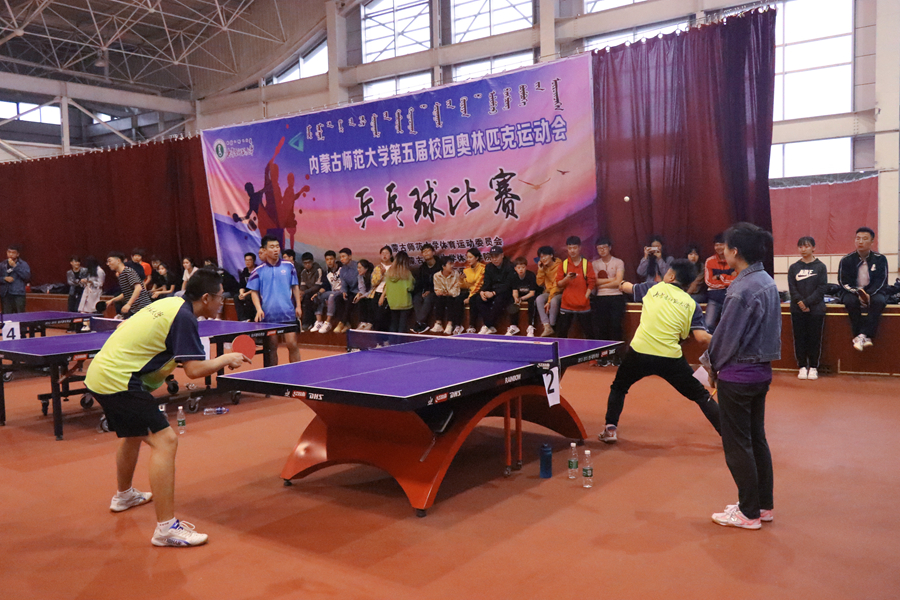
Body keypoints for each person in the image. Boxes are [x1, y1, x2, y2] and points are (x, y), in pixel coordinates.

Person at [85, 269, 251, 547]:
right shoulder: (184, 317)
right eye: (220, 297)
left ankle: (124, 496)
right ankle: (166, 529)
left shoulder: (171, 303)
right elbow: (194, 370)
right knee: (166, 441)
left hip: (101, 372)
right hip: (119, 379)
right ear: (206, 298)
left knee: (133, 433)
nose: (222, 302)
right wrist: (226, 358)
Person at [705, 223, 780, 530]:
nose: (722, 251)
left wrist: (711, 367)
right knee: (756, 439)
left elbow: (725, 338)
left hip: (738, 377)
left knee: (737, 444)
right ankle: (762, 505)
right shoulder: (767, 281)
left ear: (735, 251)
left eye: (725, 247)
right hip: (760, 373)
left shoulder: (741, 289)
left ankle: (748, 513)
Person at [598, 259, 720, 445]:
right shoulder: (692, 304)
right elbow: (701, 337)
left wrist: (620, 283)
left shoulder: (652, 288)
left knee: (619, 387)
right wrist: (725, 341)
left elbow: (627, 287)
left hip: (639, 353)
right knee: (701, 396)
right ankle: (730, 436)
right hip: (670, 358)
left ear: (670, 276)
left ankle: (610, 430)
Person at [247, 236, 302, 364]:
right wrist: (258, 309)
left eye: (277, 246)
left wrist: (298, 306)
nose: (276, 249)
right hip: (269, 315)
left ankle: (298, 371)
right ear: (264, 250)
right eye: (272, 247)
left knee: (292, 344)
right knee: (271, 348)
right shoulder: (258, 271)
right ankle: (272, 374)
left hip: (287, 313)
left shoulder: (289, 266)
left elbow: (295, 286)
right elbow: (254, 292)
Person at [838, 227, 889, 351]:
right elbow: (843, 282)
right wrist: (858, 293)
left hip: (873, 291)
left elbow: (882, 281)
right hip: (853, 291)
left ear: (872, 242)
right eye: (858, 238)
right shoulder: (846, 260)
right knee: (850, 301)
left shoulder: (880, 259)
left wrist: (868, 294)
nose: (860, 242)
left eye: (865, 239)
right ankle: (861, 335)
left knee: (879, 301)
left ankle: (863, 335)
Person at [788, 237, 828, 380]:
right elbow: (792, 288)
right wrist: (800, 303)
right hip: (797, 309)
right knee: (800, 338)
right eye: (800, 247)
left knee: (814, 338)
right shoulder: (794, 268)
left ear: (813, 248)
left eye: (806, 246)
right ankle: (802, 366)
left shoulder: (821, 267)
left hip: (816, 310)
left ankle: (813, 367)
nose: (803, 249)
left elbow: (822, 288)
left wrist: (807, 303)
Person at [590, 237, 626, 358]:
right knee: (602, 327)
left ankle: (617, 355)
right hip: (601, 298)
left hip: (616, 297)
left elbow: (619, 282)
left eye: (604, 247)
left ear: (610, 248)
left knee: (616, 326)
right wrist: (612, 280)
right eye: (599, 248)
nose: (602, 250)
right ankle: (603, 356)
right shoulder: (595, 264)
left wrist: (603, 283)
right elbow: (594, 282)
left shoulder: (618, 262)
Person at [555, 236, 596, 339]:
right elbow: (559, 284)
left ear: (579, 248)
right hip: (566, 305)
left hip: (583, 305)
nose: (572, 250)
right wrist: (566, 279)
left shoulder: (587, 265)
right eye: (570, 248)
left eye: (574, 248)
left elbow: (591, 283)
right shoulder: (563, 265)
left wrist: (585, 297)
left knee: (589, 334)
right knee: (562, 333)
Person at [473, 246, 516, 335]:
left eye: (496, 256)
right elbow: (487, 282)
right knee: (478, 299)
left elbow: (508, 284)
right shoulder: (489, 267)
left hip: (505, 292)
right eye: (492, 257)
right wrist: (482, 292)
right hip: (492, 291)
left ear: (502, 255)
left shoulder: (510, 266)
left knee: (499, 300)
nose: (494, 259)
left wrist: (494, 293)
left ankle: (487, 324)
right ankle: (490, 326)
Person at [703, 233, 736, 333]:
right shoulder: (709, 261)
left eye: (721, 244)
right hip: (715, 297)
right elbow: (709, 282)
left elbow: (737, 280)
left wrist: (719, 277)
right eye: (716, 245)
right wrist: (727, 282)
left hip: (731, 297)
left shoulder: (734, 260)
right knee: (708, 325)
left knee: (731, 326)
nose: (719, 247)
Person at [107, 252, 151, 318]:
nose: (108, 264)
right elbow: (127, 293)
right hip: (134, 310)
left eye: (110, 261)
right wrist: (112, 300)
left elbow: (138, 288)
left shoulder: (128, 271)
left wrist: (128, 304)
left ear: (118, 260)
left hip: (142, 308)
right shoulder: (121, 275)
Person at [410, 243, 442, 334]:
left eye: (428, 251)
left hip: (438, 291)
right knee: (416, 298)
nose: (426, 253)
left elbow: (442, 281)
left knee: (429, 298)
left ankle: (419, 322)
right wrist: (422, 292)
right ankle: (422, 323)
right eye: (424, 252)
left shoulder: (440, 265)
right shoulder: (422, 267)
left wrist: (430, 291)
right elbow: (420, 283)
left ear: (433, 252)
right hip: (425, 291)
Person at [380, 251, 415, 333]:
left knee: (393, 324)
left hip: (392, 303)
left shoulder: (389, 273)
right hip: (405, 303)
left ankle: (392, 340)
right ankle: (400, 341)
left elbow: (386, 286)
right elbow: (410, 288)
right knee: (402, 326)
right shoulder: (407, 273)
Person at [431, 256, 465, 335]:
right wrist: (442, 292)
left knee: (451, 299)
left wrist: (448, 293)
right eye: (450, 264)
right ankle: (438, 324)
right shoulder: (436, 276)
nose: (452, 266)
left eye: (452, 263)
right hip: (442, 296)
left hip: (452, 296)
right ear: (443, 266)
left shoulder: (456, 274)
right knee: (438, 299)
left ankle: (450, 324)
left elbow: (456, 290)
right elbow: (437, 289)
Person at [535, 246, 562, 337]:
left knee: (554, 301)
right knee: (539, 299)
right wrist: (540, 269)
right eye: (541, 257)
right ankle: (546, 326)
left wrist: (549, 301)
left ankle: (552, 326)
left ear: (551, 255)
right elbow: (539, 283)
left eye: (545, 256)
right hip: (548, 291)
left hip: (559, 291)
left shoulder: (559, 266)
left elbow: (556, 286)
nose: (543, 259)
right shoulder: (544, 267)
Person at [313, 250, 342, 334]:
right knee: (318, 296)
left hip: (341, 291)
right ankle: (319, 322)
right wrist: (318, 293)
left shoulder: (342, 269)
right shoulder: (326, 271)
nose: (329, 261)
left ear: (335, 259)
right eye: (327, 259)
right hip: (332, 291)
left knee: (331, 296)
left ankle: (328, 322)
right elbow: (325, 286)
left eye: (331, 259)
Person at [510, 257, 539, 336]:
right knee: (511, 301)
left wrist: (521, 298)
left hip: (529, 295)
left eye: (523, 267)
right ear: (515, 269)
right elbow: (514, 291)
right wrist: (516, 298)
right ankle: (514, 326)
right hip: (520, 295)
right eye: (519, 268)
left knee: (532, 301)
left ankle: (531, 326)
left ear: (526, 267)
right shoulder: (513, 276)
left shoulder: (531, 275)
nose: (521, 269)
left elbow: (532, 293)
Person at [334, 248, 359, 333]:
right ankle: (346, 323)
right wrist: (344, 291)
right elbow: (343, 282)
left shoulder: (357, 266)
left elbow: (358, 281)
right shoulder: (342, 269)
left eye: (344, 256)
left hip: (358, 291)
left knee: (350, 299)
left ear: (350, 256)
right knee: (338, 298)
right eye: (340, 257)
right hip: (349, 290)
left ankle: (342, 323)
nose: (342, 259)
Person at [461, 248, 486, 333]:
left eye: (470, 257)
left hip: (479, 291)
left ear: (477, 258)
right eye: (467, 257)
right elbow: (466, 285)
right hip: (469, 291)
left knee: (473, 299)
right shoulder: (466, 270)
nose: (468, 259)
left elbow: (478, 285)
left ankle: (472, 325)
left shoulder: (483, 268)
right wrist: (461, 280)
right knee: (457, 298)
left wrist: (469, 297)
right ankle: (457, 325)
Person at [0, 244, 31, 314]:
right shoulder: (2, 265)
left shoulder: (23, 264)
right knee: (7, 316)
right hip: (5, 294)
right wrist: (4, 278)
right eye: (9, 252)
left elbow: (27, 277)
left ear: (17, 254)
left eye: (13, 252)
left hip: (18, 294)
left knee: (19, 314)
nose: (11, 254)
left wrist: (15, 266)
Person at [369, 246, 394, 332]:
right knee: (376, 317)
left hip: (388, 294)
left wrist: (384, 295)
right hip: (376, 293)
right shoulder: (377, 268)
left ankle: (384, 337)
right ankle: (377, 338)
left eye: (387, 253)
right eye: (382, 253)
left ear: (391, 255)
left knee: (382, 317)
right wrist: (381, 275)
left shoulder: (394, 267)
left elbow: (392, 282)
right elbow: (373, 283)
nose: (384, 255)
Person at [297, 252, 323, 331]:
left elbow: (317, 286)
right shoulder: (303, 272)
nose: (307, 265)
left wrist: (304, 292)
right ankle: (297, 322)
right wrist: (300, 293)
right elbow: (303, 285)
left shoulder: (318, 270)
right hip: (307, 292)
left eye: (309, 262)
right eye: (305, 263)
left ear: (312, 261)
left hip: (318, 291)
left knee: (308, 298)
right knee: (299, 298)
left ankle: (308, 323)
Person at [236, 253, 258, 322]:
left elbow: (257, 287)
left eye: (249, 260)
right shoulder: (244, 271)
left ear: (253, 261)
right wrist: (241, 293)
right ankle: (242, 319)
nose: (247, 262)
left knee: (249, 298)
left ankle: (251, 318)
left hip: (256, 292)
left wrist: (245, 294)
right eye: (246, 260)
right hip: (247, 292)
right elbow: (242, 285)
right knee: (236, 297)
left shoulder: (257, 271)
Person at [354, 259, 375, 330]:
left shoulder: (372, 275)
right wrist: (359, 294)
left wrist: (362, 296)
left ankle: (370, 323)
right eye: (357, 267)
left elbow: (372, 290)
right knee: (360, 300)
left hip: (374, 294)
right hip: (366, 294)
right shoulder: (360, 276)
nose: (358, 269)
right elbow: (362, 288)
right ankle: (362, 322)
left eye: (360, 267)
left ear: (366, 268)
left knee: (368, 301)